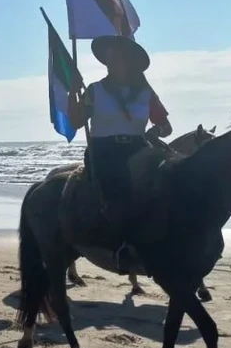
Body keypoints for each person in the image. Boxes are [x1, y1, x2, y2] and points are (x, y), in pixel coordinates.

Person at [66, 35, 172, 274]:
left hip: (138, 147)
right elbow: (76, 121)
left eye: (117, 56)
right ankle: (124, 245)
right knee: (121, 186)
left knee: (170, 178)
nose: (111, 61)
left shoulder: (146, 93)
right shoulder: (95, 90)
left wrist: (158, 130)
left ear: (130, 62)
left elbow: (166, 126)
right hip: (104, 150)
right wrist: (72, 94)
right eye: (109, 57)